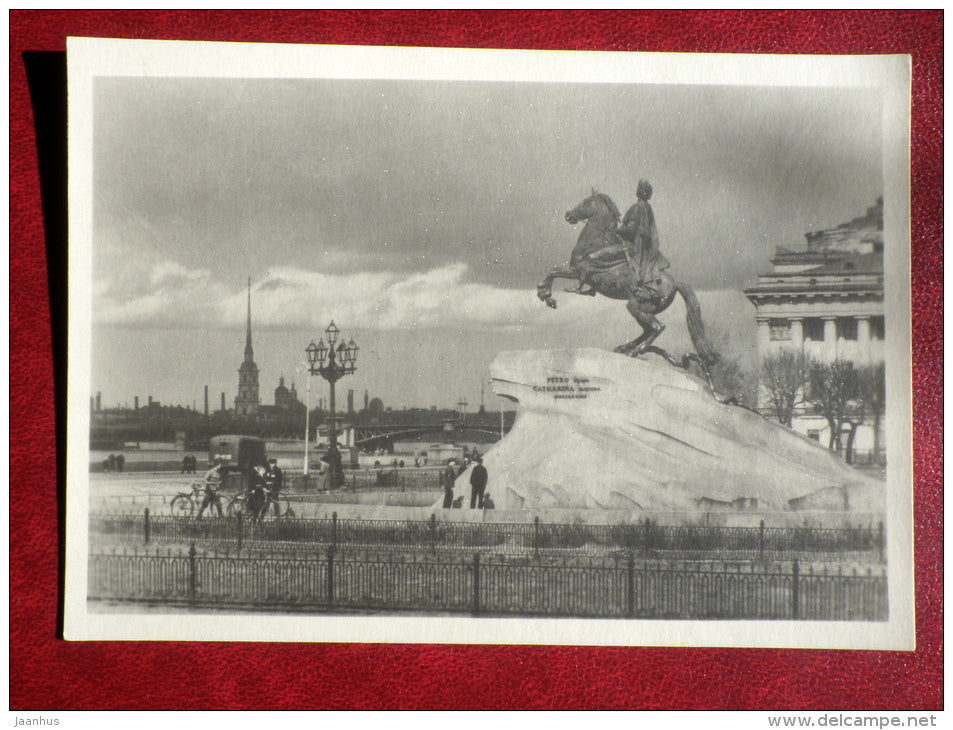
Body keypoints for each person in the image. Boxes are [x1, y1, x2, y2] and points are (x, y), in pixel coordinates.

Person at [618, 179, 670, 301]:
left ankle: (639, 288)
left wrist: (614, 230)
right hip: (647, 245)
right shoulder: (648, 207)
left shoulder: (637, 207)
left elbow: (630, 230)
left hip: (638, 245)